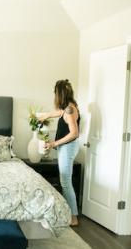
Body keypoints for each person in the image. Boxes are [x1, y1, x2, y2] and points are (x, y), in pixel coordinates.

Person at [39, 79, 80, 226]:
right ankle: (67, 213)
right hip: (67, 148)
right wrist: (46, 115)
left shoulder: (69, 110)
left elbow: (74, 133)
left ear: (59, 94)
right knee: (65, 181)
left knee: (65, 182)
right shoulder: (69, 107)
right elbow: (60, 112)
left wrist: (54, 143)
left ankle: (74, 217)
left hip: (68, 148)